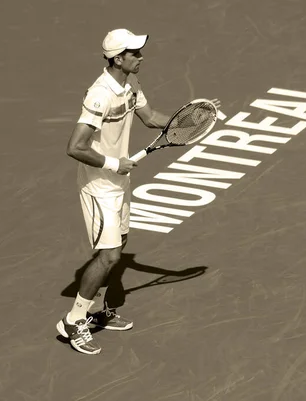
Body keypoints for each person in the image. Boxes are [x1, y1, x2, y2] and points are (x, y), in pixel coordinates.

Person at [57, 28, 219, 355]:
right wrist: (113, 164)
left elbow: (151, 118)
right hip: (99, 186)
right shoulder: (99, 95)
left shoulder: (130, 87)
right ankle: (73, 320)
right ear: (119, 58)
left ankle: (95, 312)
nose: (141, 57)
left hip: (119, 183)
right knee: (110, 255)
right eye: (135, 53)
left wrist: (195, 120)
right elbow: (75, 147)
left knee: (120, 246)